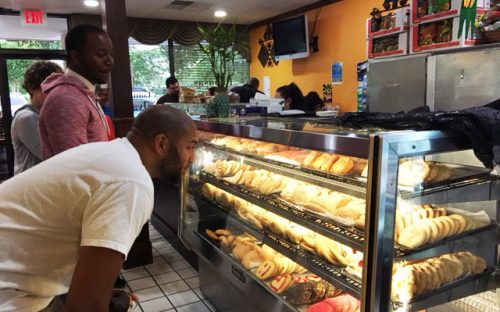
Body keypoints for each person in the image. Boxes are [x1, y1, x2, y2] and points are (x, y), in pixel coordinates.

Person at [0, 105, 197, 311]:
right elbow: (86, 306)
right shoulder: (130, 182)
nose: (192, 158)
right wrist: (95, 298)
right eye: (190, 147)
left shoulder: (111, 153)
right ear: (162, 143)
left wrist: (100, 292)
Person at [39, 24, 114, 159]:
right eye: (101, 54)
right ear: (76, 57)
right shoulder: (66, 99)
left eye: (111, 54)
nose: (109, 61)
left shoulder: (82, 93)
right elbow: (75, 166)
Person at [11, 61, 63, 175]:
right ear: (31, 88)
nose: (55, 94)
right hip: (29, 188)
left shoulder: (47, 114)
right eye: (49, 89)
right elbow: (54, 157)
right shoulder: (26, 118)